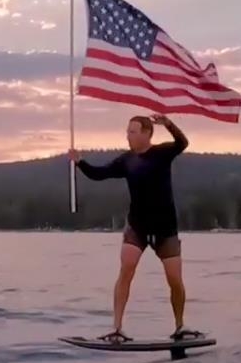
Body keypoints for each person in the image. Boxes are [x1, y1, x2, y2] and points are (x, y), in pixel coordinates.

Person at [68, 113, 200, 343]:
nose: (127, 136)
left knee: (175, 280)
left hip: (165, 228)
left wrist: (168, 124)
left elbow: (183, 143)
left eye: (132, 132)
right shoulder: (126, 160)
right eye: (127, 131)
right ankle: (117, 328)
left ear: (147, 133)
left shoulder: (162, 153)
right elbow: (99, 174)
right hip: (137, 226)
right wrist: (80, 162)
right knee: (126, 270)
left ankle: (180, 326)